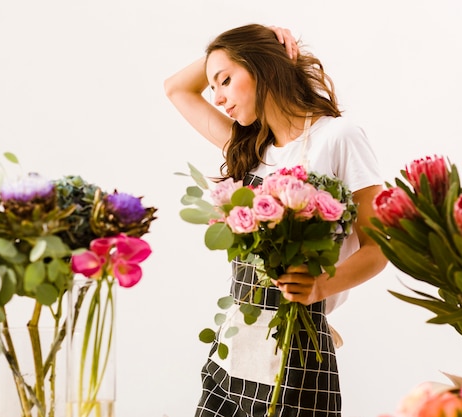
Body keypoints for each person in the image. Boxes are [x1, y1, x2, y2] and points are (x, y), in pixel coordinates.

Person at [164, 24, 387, 417]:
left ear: (262, 67)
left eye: (226, 81)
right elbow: (175, 88)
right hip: (233, 343)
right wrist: (230, 49)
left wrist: (321, 286)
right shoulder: (250, 146)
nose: (216, 97)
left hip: (295, 351)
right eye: (214, 85)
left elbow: (380, 246)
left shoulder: (338, 137)